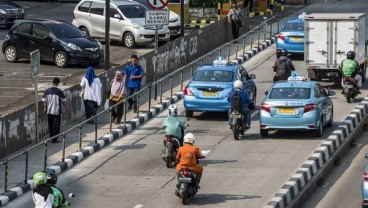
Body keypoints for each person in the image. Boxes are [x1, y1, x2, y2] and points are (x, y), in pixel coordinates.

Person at [42, 78, 68, 143]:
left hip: (49, 111)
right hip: (56, 111)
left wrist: (45, 108)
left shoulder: (47, 91)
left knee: (50, 124)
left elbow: (45, 101)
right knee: (56, 125)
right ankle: (54, 139)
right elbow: (63, 101)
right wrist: (66, 108)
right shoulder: (59, 91)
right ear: (58, 83)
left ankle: (51, 136)